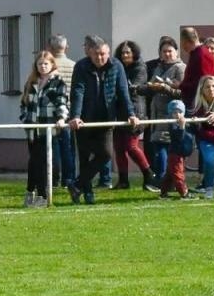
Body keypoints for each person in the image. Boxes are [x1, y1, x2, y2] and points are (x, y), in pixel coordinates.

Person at [67, 35, 137, 205]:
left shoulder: (117, 66)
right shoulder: (81, 66)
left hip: (106, 119)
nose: (100, 58)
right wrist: (75, 116)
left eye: (103, 54)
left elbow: (123, 91)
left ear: (108, 52)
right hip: (85, 119)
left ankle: (76, 184)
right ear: (90, 53)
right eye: (96, 54)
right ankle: (87, 193)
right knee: (83, 157)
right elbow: (78, 92)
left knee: (105, 154)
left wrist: (131, 113)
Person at [18, 48, 67, 207]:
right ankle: (30, 192)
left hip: (48, 131)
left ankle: (42, 196)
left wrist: (61, 118)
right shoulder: (31, 82)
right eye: (40, 64)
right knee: (33, 162)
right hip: (32, 130)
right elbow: (24, 104)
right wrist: (25, 119)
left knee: (42, 163)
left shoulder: (58, 82)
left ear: (52, 64)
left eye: (46, 63)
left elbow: (62, 102)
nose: (43, 66)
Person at [142, 36, 184, 191]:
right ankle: (165, 181)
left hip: (172, 113)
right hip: (157, 114)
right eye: (164, 51)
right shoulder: (159, 68)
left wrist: (166, 88)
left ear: (176, 52)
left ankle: (164, 180)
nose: (167, 54)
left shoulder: (180, 68)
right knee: (158, 147)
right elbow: (152, 85)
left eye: (170, 51)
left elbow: (183, 92)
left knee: (164, 148)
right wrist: (143, 88)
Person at [112, 39, 154, 191]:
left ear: (133, 53)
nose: (124, 55)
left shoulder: (140, 67)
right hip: (118, 112)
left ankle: (148, 174)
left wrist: (119, 89)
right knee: (118, 147)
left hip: (136, 111)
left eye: (127, 52)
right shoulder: (117, 66)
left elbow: (132, 88)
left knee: (131, 146)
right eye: (122, 52)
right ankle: (123, 180)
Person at [46, 33, 77, 189]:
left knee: (54, 146)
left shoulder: (48, 66)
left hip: (52, 111)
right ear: (66, 47)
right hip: (70, 111)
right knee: (69, 147)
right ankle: (69, 178)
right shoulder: (74, 65)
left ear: (50, 47)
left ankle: (54, 178)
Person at [177, 26, 214, 106]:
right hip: (196, 101)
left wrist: (180, 85)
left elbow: (203, 82)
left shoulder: (201, 55)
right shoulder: (197, 54)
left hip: (199, 103)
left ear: (186, 41)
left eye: (182, 42)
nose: (182, 46)